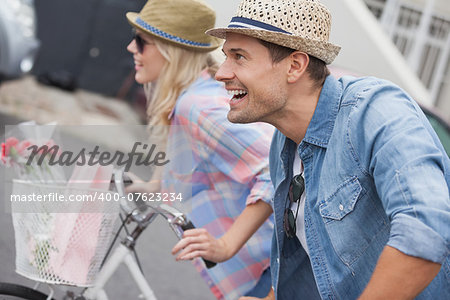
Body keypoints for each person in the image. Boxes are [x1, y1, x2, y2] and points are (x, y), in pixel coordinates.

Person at [205, 0, 450, 299]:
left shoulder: (375, 110)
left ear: (295, 66)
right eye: (226, 56)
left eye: (239, 57)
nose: (221, 73)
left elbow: (425, 232)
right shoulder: (284, 143)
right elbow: (316, 260)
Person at [125, 0, 275, 299]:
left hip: (265, 270)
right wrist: (147, 187)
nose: (131, 47)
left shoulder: (199, 107)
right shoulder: (193, 95)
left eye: (142, 41)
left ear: (171, 52)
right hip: (259, 266)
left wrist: (226, 245)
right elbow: (188, 168)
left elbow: (275, 168)